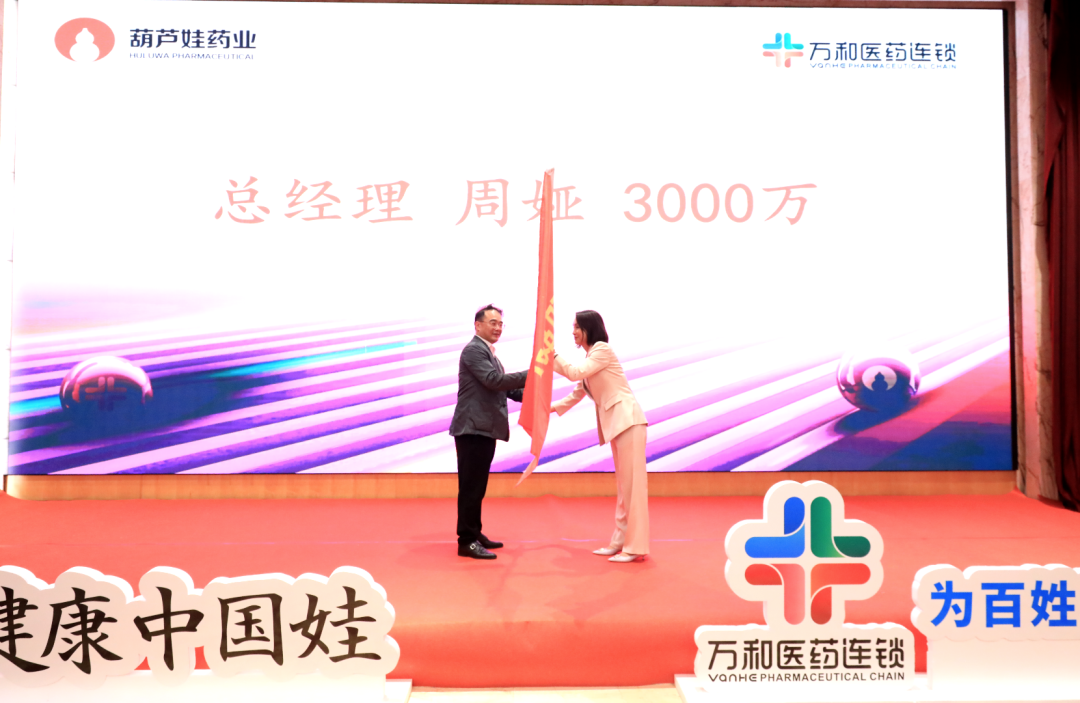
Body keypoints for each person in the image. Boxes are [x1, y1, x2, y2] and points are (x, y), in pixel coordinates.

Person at [552, 310, 650, 563]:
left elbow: (574, 373)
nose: (573, 331)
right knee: (624, 488)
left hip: (628, 421)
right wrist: (548, 408)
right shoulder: (591, 357)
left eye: (577, 326)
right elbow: (577, 392)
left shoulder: (601, 350)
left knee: (633, 489)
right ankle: (620, 542)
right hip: (619, 425)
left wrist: (551, 356)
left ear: (589, 328)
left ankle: (635, 547)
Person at [449, 304, 528, 560]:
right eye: (493, 323)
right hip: (472, 429)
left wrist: (536, 395)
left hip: (483, 429)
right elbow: (494, 381)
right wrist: (533, 373)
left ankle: (475, 533)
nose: (498, 328)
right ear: (478, 325)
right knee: (471, 487)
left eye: (501, 324)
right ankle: (466, 540)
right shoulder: (474, 350)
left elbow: (507, 389)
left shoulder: (490, 354)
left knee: (477, 486)